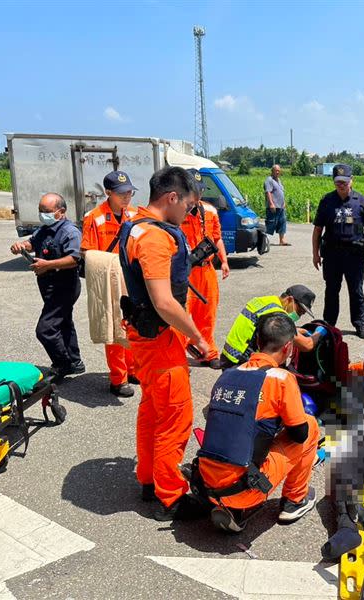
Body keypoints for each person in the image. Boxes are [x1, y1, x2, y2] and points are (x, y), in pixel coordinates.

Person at [118, 166, 209, 521]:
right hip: (158, 338)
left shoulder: (135, 225)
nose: (189, 212)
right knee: (175, 415)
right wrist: (198, 338)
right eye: (188, 205)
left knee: (153, 410)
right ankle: (170, 495)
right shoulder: (154, 238)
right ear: (172, 197)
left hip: (147, 337)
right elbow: (164, 302)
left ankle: (148, 478)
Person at [195, 312, 319, 533]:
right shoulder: (281, 379)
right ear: (288, 347)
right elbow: (299, 434)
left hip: (208, 483)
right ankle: (295, 500)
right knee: (309, 426)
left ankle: (232, 508)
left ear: (258, 342)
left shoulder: (227, 376)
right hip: (244, 488)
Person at [10, 193, 84, 380]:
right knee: (64, 322)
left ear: (61, 212)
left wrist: (47, 265)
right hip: (49, 285)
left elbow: (74, 259)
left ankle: (62, 364)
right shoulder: (45, 228)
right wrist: (21, 246)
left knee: (46, 329)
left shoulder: (70, 232)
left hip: (64, 286)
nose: (43, 214)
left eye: (47, 211)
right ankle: (75, 361)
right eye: (40, 211)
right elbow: (32, 242)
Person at [81, 170, 138, 396]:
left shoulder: (134, 215)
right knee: (114, 328)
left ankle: (133, 370)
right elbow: (87, 252)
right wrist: (113, 263)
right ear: (108, 193)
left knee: (133, 325)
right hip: (108, 280)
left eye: (130, 192)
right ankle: (118, 379)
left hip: (131, 278)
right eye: (122, 193)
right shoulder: (93, 217)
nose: (127, 197)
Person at [312, 164, 364, 339]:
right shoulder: (327, 201)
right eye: (337, 182)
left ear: (351, 180)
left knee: (356, 290)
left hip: (354, 256)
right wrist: (315, 254)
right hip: (332, 255)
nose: (341, 185)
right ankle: (329, 325)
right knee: (331, 290)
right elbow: (318, 229)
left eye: (344, 181)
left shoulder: (361, 201)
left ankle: (359, 324)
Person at [180, 168, 230, 368]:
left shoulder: (209, 211)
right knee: (182, 312)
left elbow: (216, 238)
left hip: (207, 268)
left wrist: (224, 261)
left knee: (208, 312)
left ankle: (208, 352)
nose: (199, 194)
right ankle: (179, 351)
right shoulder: (175, 212)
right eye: (195, 190)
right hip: (185, 271)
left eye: (201, 190)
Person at [219, 285, 327, 368]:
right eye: (300, 311)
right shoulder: (278, 315)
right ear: (289, 300)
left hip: (228, 356)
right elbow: (307, 345)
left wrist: (297, 331)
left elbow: (257, 326)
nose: (299, 315)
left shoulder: (265, 301)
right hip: (241, 362)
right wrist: (319, 332)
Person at [264, 164, 289, 246]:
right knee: (270, 223)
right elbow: (268, 192)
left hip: (281, 206)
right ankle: (263, 240)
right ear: (272, 171)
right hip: (273, 206)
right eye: (276, 170)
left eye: (279, 170)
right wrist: (271, 204)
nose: (278, 172)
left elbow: (281, 192)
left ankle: (282, 240)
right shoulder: (269, 180)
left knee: (282, 223)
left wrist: (284, 202)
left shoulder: (279, 180)